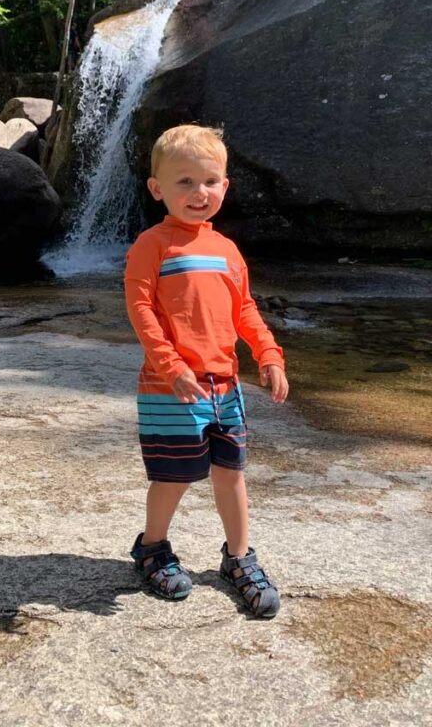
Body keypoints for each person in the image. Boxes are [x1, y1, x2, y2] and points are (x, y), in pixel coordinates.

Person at [124, 124, 289, 618]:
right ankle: (152, 548)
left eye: (210, 181)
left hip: (225, 386)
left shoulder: (227, 250)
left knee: (231, 475)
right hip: (169, 387)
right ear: (157, 189)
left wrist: (269, 354)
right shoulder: (152, 245)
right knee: (173, 477)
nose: (199, 193)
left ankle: (238, 559)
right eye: (184, 182)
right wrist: (169, 365)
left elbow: (245, 311)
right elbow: (140, 309)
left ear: (225, 186)